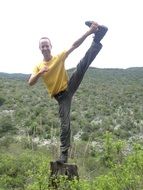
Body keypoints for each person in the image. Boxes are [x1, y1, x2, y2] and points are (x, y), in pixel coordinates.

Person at [28, 21, 108, 163]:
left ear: (51, 46)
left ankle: (97, 37)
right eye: (43, 46)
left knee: (82, 65)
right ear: (39, 48)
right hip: (61, 98)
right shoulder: (38, 66)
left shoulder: (58, 57)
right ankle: (64, 153)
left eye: (47, 45)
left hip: (69, 86)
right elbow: (30, 82)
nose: (45, 48)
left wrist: (89, 32)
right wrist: (40, 73)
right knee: (65, 123)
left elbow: (74, 45)